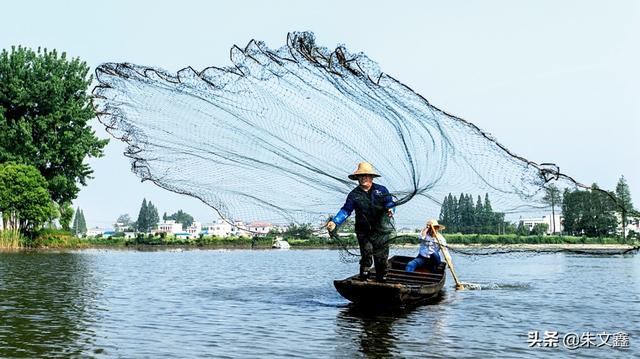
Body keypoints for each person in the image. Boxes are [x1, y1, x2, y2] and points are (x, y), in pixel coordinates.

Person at [326, 162, 395, 281]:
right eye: (361, 176)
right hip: (363, 230)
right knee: (367, 253)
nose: (363, 178)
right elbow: (346, 210)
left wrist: (391, 209)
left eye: (366, 175)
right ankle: (364, 276)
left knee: (381, 257)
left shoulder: (382, 190)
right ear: (357, 178)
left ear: (371, 177)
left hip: (381, 230)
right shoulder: (354, 195)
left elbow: (390, 202)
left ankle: (381, 278)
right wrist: (335, 222)